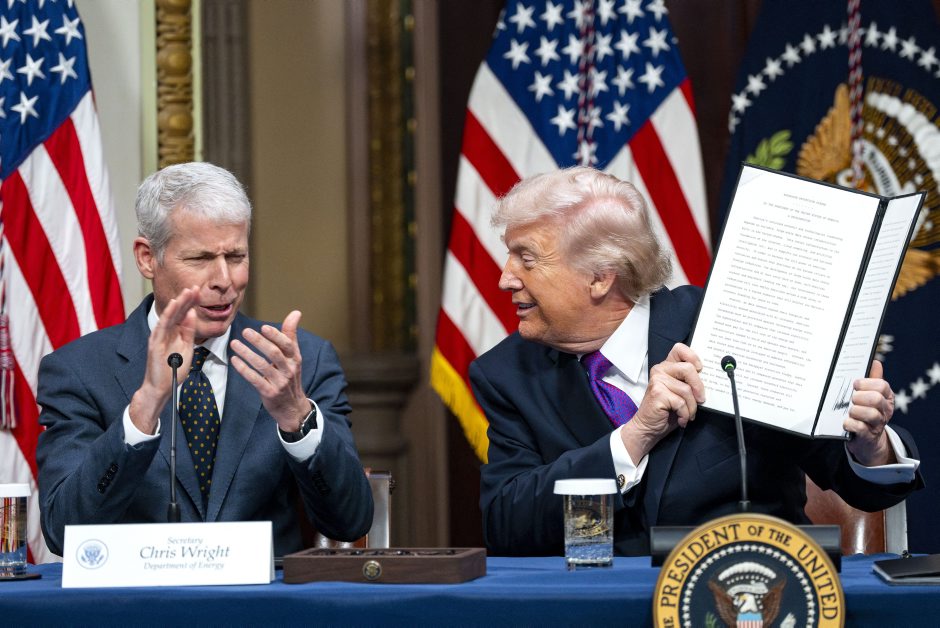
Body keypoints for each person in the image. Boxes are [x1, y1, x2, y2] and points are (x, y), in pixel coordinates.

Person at [471, 166, 923, 557]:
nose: (505, 278)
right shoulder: (507, 374)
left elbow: (857, 482)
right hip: (598, 605)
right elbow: (508, 527)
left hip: (747, 592)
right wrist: (633, 437)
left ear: (600, 277)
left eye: (526, 259)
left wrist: (871, 447)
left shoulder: (738, 327)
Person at [36, 162, 373, 557]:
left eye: (236, 256)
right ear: (147, 258)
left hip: (263, 595)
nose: (224, 280)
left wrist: (297, 417)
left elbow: (350, 521)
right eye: (199, 259)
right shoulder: (79, 371)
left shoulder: (300, 362)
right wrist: (143, 410)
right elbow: (64, 531)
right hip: (141, 595)